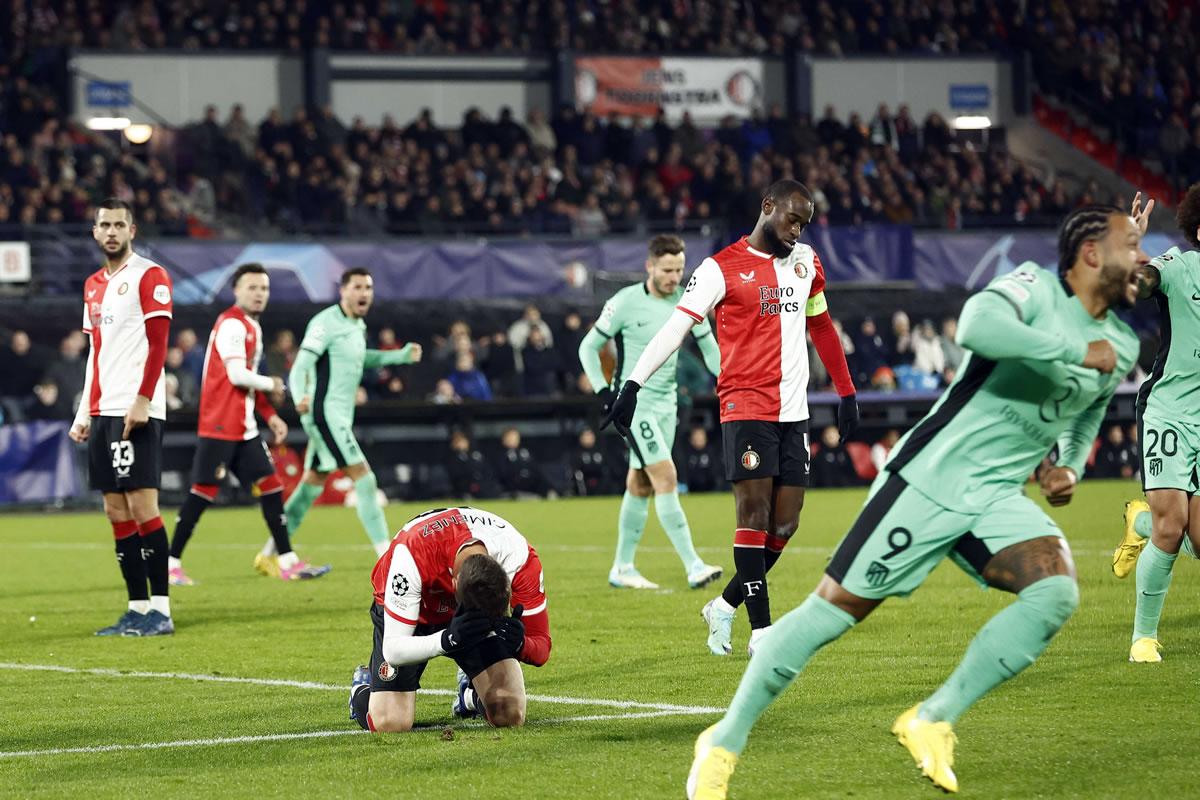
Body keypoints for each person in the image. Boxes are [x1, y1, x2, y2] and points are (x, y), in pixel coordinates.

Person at [685, 203, 1147, 798]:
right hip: (931, 477)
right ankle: (722, 742)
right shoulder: (1034, 288)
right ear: (1091, 253)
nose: (1142, 258)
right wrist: (1072, 350)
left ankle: (932, 719)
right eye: (1131, 244)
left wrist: (1070, 466)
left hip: (996, 495)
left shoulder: (1121, 343)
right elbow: (977, 327)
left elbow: (1088, 412)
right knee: (831, 613)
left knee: (1055, 592)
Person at [603, 180, 859, 656]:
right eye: (792, 220)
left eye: (804, 224)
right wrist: (632, 384)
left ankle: (723, 605)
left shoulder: (806, 262)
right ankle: (761, 632)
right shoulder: (718, 269)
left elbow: (821, 325)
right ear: (768, 207)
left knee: (786, 525)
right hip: (745, 406)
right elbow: (675, 329)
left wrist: (846, 392)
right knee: (754, 514)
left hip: (794, 411)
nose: (797, 231)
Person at [168, 263, 330, 586]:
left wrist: (270, 415)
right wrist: (274, 383)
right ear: (236, 291)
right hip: (220, 426)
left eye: (264, 288)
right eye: (252, 287)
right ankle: (170, 563)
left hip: (244, 427)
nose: (259, 294)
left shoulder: (251, 326)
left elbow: (247, 383)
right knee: (202, 494)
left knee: (271, 487)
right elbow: (237, 375)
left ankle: (286, 560)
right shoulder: (232, 324)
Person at [579, 234, 724, 590]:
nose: (674, 277)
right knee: (666, 476)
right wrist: (603, 390)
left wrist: (728, 378)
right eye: (667, 270)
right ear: (650, 266)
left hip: (667, 404)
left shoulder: (688, 301)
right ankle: (693, 565)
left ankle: (622, 567)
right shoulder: (625, 302)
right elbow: (588, 347)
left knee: (641, 484)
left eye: (679, 269)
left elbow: (709, 346)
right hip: (635, 406)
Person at [262, 267, 423, 565]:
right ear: (343, 291)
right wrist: (299, 396)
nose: (364, 293)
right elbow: (301, 365)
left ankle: (270, 553)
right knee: (364, 478)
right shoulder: (325, 322)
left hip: (338, 416)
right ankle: (387, 557)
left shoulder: (356, 326)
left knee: (311, 485)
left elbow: (361, 358)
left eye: (368, 288)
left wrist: (399, 356)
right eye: (357, 287)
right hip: (325, 414)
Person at [69, 198, 176, 637]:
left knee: (142, 505)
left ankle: (161, 610)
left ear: (132, 230)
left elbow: (159, 344)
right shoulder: (93, 285)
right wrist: (84, 412)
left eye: (119, 224)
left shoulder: (150, 275)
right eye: (104, 225)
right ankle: (136, 607)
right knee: (115, 510)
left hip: (136, 407)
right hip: (103, 408)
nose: (111, 232)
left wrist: (143, 400)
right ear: (95, 232)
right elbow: (95, 352)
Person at [348, 506, 551, 732]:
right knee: (390, 722)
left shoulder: (519, 558)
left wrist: (521, 644)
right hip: (415, 613)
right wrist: (447, 639)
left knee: (509, 713)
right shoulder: (412, 555)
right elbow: (393, 650)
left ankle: (469, 695)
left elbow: (541, 648)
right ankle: (363, 685)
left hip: (474, 621)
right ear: (452, 584)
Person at [1112, 186, 1200, 663]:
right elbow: (1140, 283)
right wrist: (1131, 245)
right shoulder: (1179, 267)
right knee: (1172, 528)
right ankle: (1142, 639)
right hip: (1169, 411)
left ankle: (1139, 520)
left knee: (1197, 541)